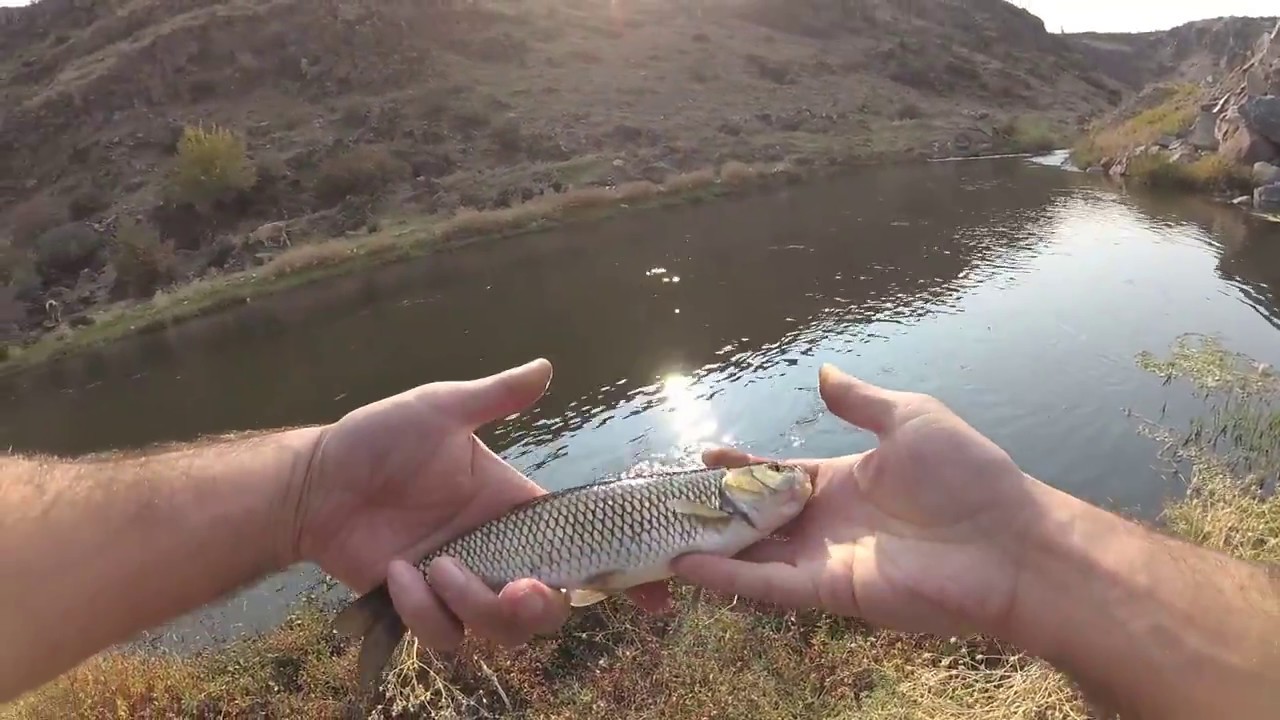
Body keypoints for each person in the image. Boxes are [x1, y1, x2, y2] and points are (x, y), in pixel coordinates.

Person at [0, 359, 1277, 718]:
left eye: (775, 477)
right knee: (522, 589)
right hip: (521, 549)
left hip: (528, 547)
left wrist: (303, 496)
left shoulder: (729, 504)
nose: (784, 484)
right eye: (768, 474)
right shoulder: (725, 503)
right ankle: (377, 626)